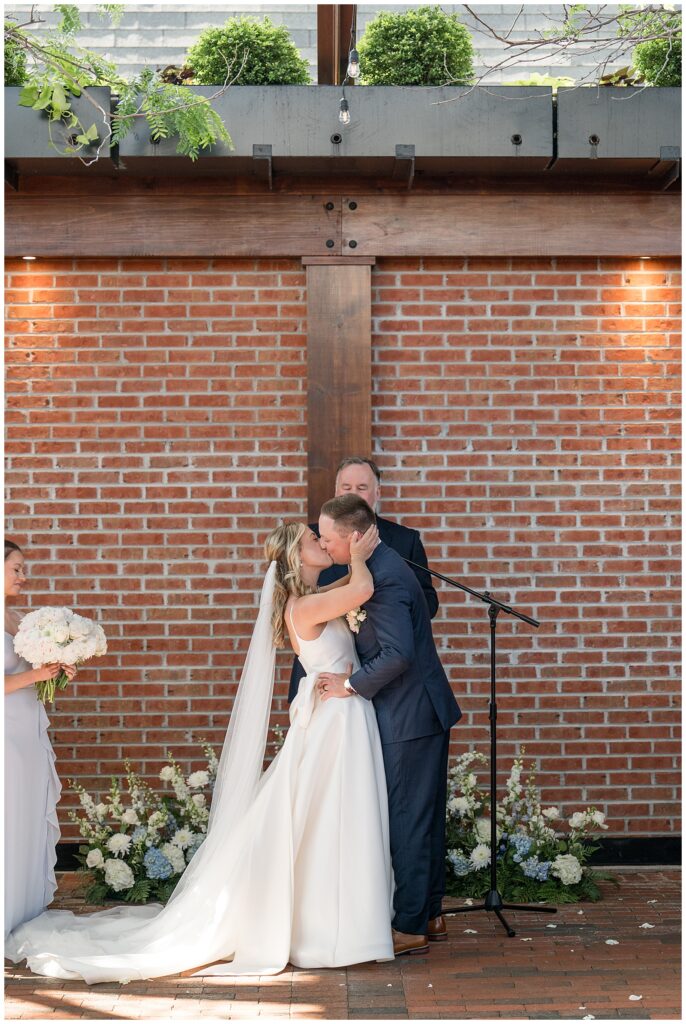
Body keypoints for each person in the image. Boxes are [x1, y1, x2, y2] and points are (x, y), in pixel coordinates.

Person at [6, 523, 394, 982]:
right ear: (297, 556)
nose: (322, 543)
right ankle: (326, 929)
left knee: (325, 819)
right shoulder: (306, 604)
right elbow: (363, 586)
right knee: (325, 816)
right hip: (332, 722)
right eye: (315, 540)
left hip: (339, 718)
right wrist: (358, 553)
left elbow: (354, 593)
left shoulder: (315, 595)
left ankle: (332, 924)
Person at [316, 495, 462, 956]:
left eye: (328, 537)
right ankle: (430, 915)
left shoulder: (386, 579)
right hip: (420, 711)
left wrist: (350, 685)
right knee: (423, 819)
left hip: (409, 714)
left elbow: (397, 654)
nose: (323, 544)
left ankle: (410, 926)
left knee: (409, 821)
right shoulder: (376, 567)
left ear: (355, 537)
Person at [288, 456, 438, 703]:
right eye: (347, 488)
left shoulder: (403, 541)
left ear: (377, 492)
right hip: (324, 677)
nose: (354, 494)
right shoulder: (313, 543)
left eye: (362, 488)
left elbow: (426, 604)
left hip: (382, 681)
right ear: (337, 492)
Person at [4, 540, 77, 939]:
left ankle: (22, 910)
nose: (23, 576)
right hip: (5, 737)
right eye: (16, 568)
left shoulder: (17, 619)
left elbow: (33, 676)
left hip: (29, 732)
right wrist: (36, 675)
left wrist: (58, 671)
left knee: (26, 815)